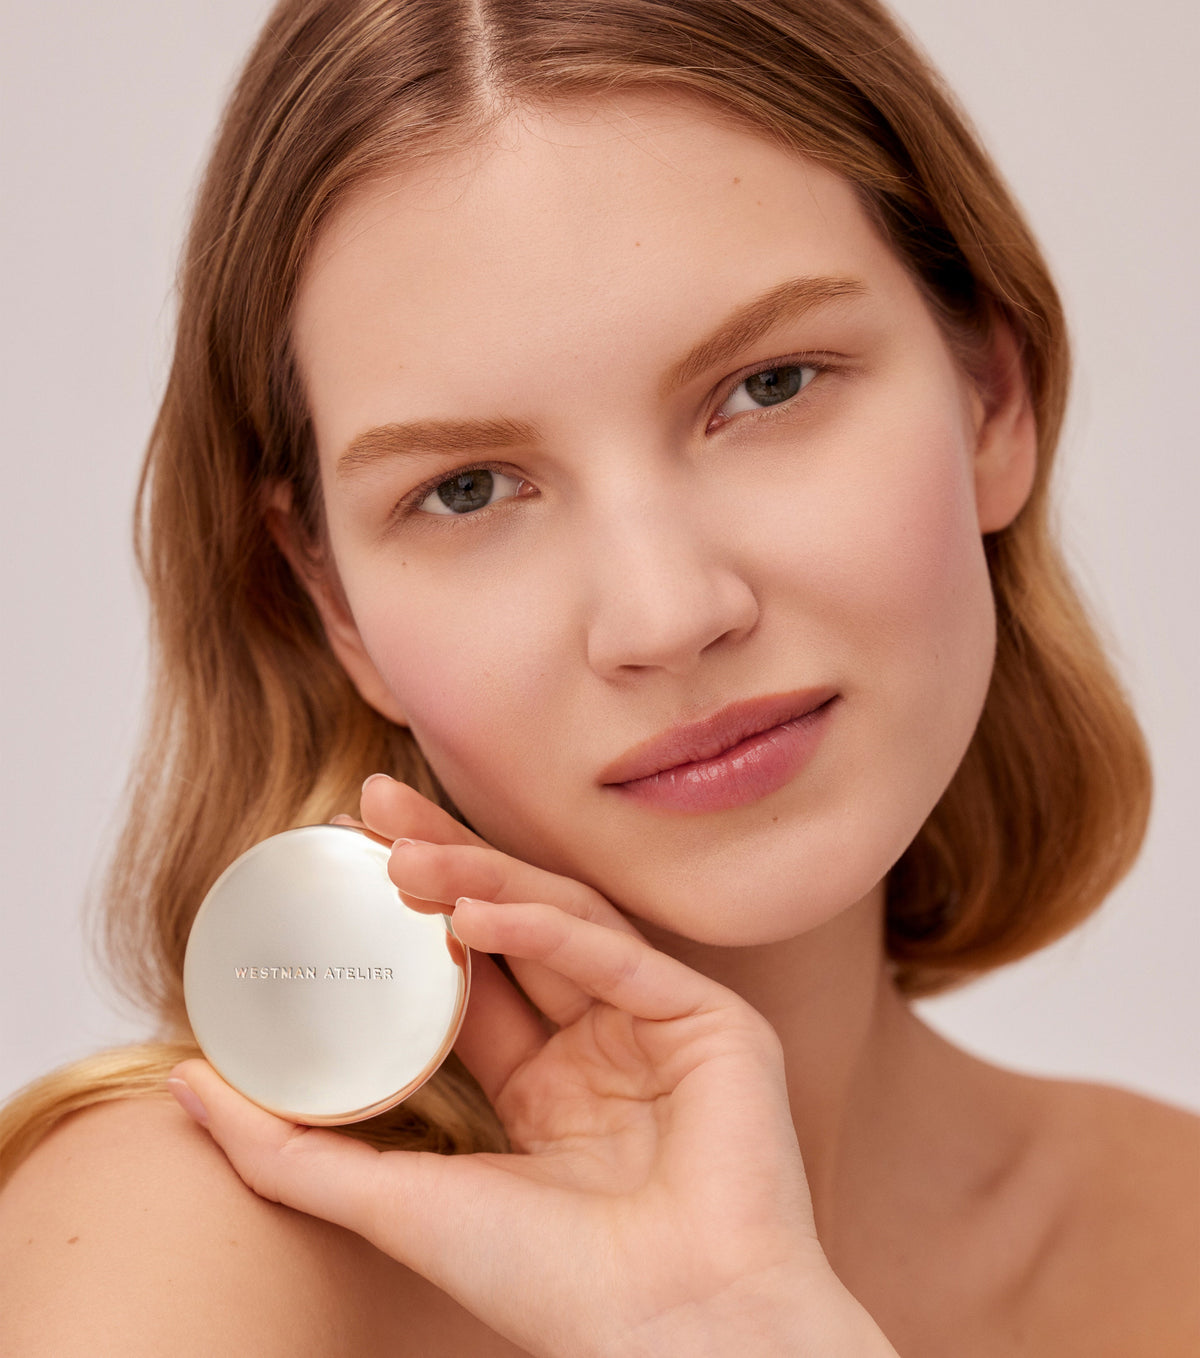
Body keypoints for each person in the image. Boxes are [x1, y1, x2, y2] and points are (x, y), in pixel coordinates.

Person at [1, 0, 1196, 1352]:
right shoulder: (181, 1256)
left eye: (769, 386)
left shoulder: (1176, 1234)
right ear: (328, 596)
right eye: (466, 488)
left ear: (993, 393)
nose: (667, 612)